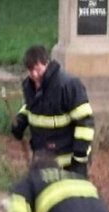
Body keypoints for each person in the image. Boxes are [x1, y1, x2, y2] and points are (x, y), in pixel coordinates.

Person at [11, 45, 94, 177]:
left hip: (68, 162)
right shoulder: (29, 86)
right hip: (43, 160)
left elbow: (85, 121)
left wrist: (79, 158)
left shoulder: (68, 85)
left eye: (37, 69)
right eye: (30, 70)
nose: (34, 74)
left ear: (47, 63)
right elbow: (30, 107)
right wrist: (21, 121)